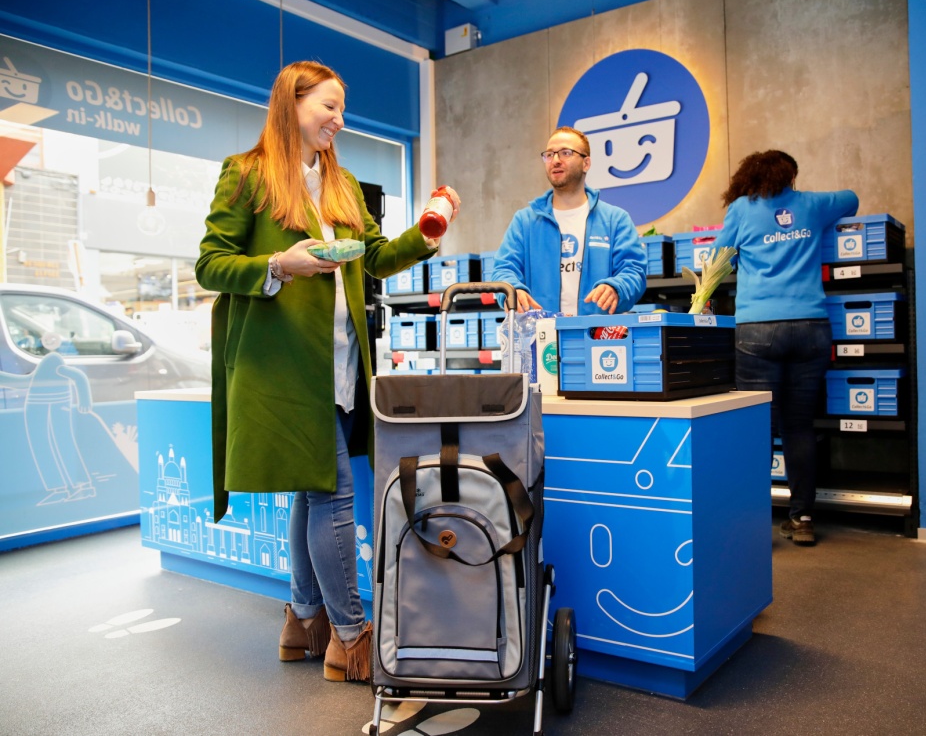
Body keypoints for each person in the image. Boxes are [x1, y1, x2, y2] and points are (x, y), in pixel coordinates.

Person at [195, 60, 458, 682]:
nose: (340, 121)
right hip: (283, 367)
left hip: (341, 362)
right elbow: (210, 264)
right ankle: (350, 634)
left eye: (343, 111)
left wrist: (426, 231)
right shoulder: (247, 175)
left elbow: (375, 260)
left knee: (312, 490)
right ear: (292, 102)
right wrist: (278, 265)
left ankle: (303, 620)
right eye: (329, 107)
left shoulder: (342, 185)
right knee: (335, 495)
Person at [713, 150, 858, 546]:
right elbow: (852, 198)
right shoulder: (812, 204)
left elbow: (715, 260)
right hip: (811, 328)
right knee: (799, 427)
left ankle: (753, 522)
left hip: (759, 329)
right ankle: (803, 518)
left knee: (757, 429)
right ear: (790, 176)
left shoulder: (743, 209)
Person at [491, 126, 646, 315]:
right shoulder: (525, 222)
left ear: (586, 163)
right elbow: (503, 269)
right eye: (549, 154)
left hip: (597, 337)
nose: (555, 160)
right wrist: (512, 290)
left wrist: (617, 288)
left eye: (565, 153)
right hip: (539, 338)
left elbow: (634, 272)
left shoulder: (615, 220)